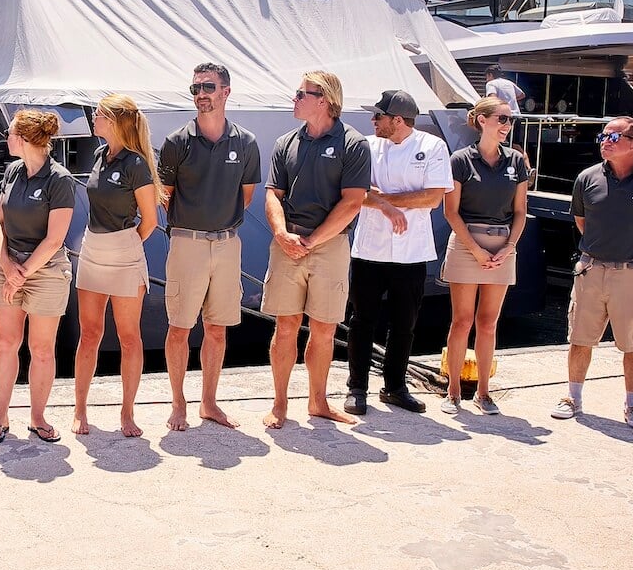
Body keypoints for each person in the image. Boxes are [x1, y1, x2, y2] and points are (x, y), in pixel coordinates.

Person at [551, 116, 633, 430]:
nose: (605, 142)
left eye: (613, 137)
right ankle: (573, 397)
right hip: (591, 269)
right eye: (603, 136)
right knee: (580, 338)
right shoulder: (587, 178)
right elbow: (582, 221)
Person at [261, 71, 369, 427]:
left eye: (300, 93)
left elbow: (353, 202)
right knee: (286, 325)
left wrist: (312, 241)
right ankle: (279, 404)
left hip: (329, 246)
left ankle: (318, 402)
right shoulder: (285, 143)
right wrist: (280, 234)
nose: (294, 98)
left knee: (324, 328)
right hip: (288, 241)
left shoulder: (353, 144)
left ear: (323, 99)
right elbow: (272, 194)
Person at [158, 63, 261, 431]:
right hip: (188, 243)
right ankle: (178, 404)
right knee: (179, 328)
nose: (201, 94)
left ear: (226, 92)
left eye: (208, 87)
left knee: (217, 328)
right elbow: (165, 197)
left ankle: (209, 404)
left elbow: (245, 197)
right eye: (195, 88)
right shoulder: (176, 143)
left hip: (228, 245)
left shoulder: (246, 143)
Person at [344, 90, 452, 416]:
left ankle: (394, 387)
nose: (372, 121)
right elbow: (356, 192)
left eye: (378, 116)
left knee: (405, 323)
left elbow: (432, 198)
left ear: (398, 120)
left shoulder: (432, 147)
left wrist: (384, 200)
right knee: (362, 321)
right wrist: (391, 203)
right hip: (370, 248)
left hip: (411, 251)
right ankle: (357, 388)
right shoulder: (366, 145)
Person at [72, 94, 163, 438]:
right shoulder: (100, 155)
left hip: (124, 250)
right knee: (90, 334)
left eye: (98, 115)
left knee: (128, 338)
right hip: (93, 249)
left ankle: (127, 413)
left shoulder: (135, 164)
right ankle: (80, 410)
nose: (93, 119)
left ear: (114, 121)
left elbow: (150, 220)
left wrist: (126, 246)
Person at [0, 109, 76, 444]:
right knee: (6, 344)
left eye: (9, 132)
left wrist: (21, 274)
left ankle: (38, 418)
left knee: (41, 348)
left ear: (22, 138)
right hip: (10, 265)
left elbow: (54, 239)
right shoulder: (11, 171)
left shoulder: (60, 180)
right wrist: (8, 267)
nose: (6, 137)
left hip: (47, 269)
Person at [440, 97, 529, 414]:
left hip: (503, 244)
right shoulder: (460, 160)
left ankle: (483, 392)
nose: (508, 125)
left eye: (510, 120)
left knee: (489, 323)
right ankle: (452, 392)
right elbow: (451, 212)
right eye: (503, 119)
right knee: (461, 321)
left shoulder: (517, 162)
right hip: (467, 242)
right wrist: (475, 249)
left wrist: (510, 247)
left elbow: (520, 212)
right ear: (482, 120)